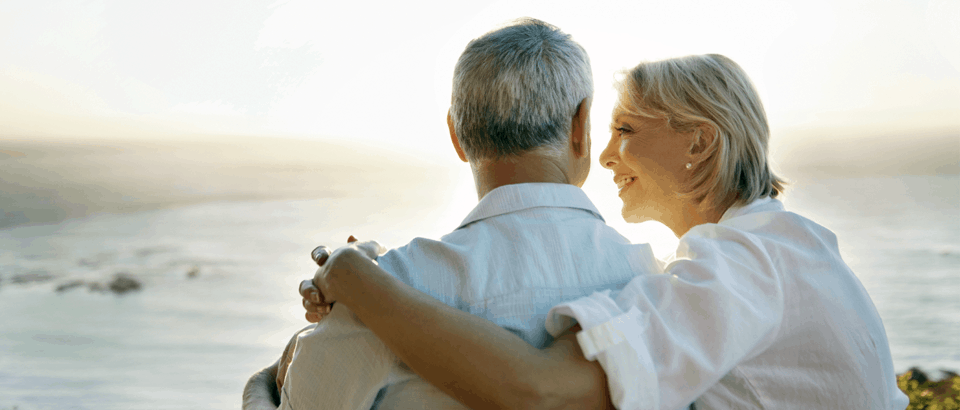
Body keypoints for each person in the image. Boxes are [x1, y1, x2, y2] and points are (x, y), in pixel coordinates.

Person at [299, 54, 910, 409]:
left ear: (699, 141)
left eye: (628, 131)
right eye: (606, 131)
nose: (608, 156)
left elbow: (538, 389)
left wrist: (359, 280)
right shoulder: (780, 249)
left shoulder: (746, 268)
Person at [243, 18, 662, 409]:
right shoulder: (655, 282)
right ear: (580, 124)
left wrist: (262, 381)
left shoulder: (385, 291)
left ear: (456, 135)